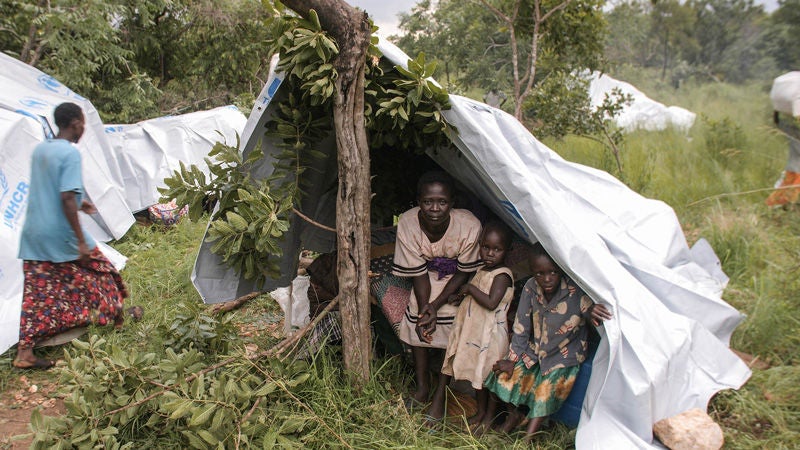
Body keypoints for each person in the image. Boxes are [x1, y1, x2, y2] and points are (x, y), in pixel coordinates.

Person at [13, 102, 130, 370]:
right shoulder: (70, 154)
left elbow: (52, 189)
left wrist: (81, 204)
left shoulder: (41, 150)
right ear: (76, 122)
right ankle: (117, 318)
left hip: (33, 234)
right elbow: (65, 196)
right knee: (103, 270)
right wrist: (79, 239)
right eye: (83, 124)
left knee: (37, 292)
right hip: (59, 234)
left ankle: (25, 353)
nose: (83, 129)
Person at [484, 242, 612, 442]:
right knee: (500, 378)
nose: (547, 279)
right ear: (533, 272)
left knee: (545, 393)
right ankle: (513, 416)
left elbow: (587, 308)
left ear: (560, 269)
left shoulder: (575, 290)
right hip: (537, 350)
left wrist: (592, 311)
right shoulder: (530, 288)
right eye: (540, 274)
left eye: (552, 272)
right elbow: (521, 327)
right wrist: (512, 358)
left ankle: (527, 440)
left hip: (565, 356)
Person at [392, 171, 482, 407]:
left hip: (457, 280)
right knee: (416, 316)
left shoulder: (469, 225)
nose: (434, 208)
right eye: (427, 202)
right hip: (425, 277)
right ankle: (423, 387)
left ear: (452, 203)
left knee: (452, 317)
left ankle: (441, 391)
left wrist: (436, 305)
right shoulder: (408, 222)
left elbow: (464, 271)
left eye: (442, 202)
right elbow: (418, 273)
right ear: (418, 201)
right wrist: (425, 309)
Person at [426, 221, 514, 428]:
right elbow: (476, 293)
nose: (490, 253)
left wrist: (469, 289)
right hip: (477, 334)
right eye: (486, 247)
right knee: (478, 376)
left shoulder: (502, 276)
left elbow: (491, 302)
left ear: (507, 251)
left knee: (488, 377)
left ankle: (490, 416)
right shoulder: (483, 269)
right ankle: (481, 412)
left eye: (497, 249)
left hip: (491, 336)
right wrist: (462, 296)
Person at [765, 111, 800, 207]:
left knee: (789, 189)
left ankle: (778, 207)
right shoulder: (794, 129)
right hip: (793, 169)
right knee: (788, 188)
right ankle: (776, 206)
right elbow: (778, 122)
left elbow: (778, 122)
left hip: (793, 168)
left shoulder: (792, 129)